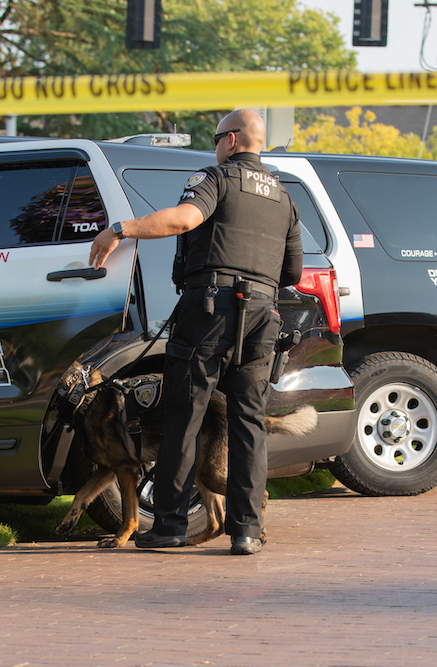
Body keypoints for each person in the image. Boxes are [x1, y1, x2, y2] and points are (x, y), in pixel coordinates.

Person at [88, 109, 302, 555]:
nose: (215, 144)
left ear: (234, 139)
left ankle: (168, 526)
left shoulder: (216, 178)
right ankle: (245, 531)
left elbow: (184, 220)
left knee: (184, 416)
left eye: (218, 136)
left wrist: (120, 230)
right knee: (248, 426)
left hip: (209, 312)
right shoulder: (283, 196)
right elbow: (293, 272)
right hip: (262, 317)